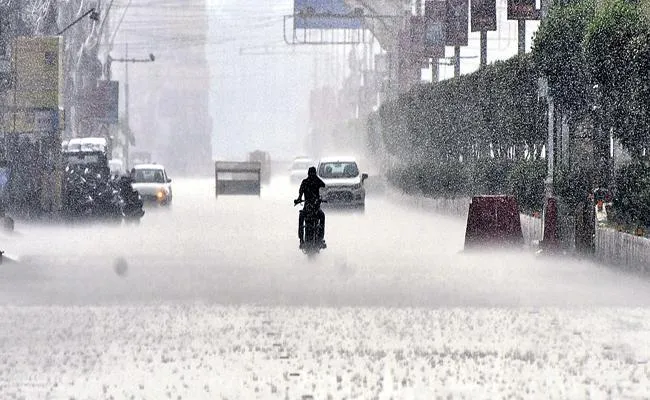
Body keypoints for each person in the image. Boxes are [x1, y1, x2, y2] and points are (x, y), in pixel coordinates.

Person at [294, 166, 326, 249]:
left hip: (308, 209)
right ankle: (320, 239)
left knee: (301, 218)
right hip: (314, 209)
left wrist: (299, 199)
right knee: (322, 216)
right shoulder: (316, 181)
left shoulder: (305, 182)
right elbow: (323, 186)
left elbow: (300, 194)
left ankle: (301, 240)